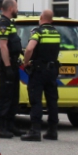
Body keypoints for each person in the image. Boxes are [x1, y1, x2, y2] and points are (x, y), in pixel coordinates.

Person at [21, 10, 61, 142]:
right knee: (52, 100)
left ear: (41, 18)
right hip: (52, 70)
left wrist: (26, 62)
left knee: (36, 100)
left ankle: (35, 131)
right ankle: (52, 130)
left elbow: (29, 49)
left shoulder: (38, 32)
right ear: (51, 19)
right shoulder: (56, 33)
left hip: (39, 70)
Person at [0, 0, 24, 138]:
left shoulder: (10, 24)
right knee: (5, 97)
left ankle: (10, 125)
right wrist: (7, 67)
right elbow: (3, 46)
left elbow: (14, 44)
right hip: (7, 65)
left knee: (13, 97)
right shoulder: (3, 24)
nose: (17, 10)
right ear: (11, 8)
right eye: (16, 7)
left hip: (13, 63)